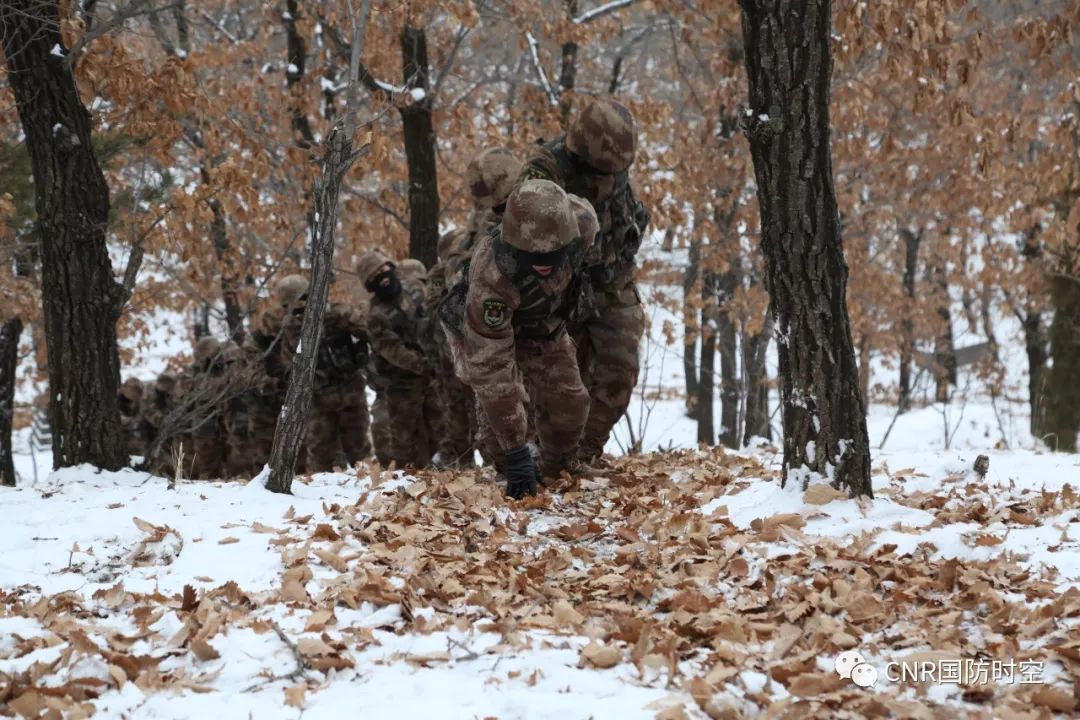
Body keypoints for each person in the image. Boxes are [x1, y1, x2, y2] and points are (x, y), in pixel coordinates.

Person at [519, 98, 650, 463]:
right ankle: (545, 455)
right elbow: (524, 231)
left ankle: (585, 451)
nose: (608, 178)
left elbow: (629, 214)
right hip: (558, 285)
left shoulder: (617, 163)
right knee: (556, 378)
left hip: (612, 279)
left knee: (620, 372)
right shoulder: (545, 169)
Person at [455, 179, 594, 499]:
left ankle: (557, 469)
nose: (544, 262)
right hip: (484, 331)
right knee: (499, 428)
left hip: (541, 323)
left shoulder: (581, 224)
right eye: (534, 254)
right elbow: (491, 367)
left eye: (552, 252)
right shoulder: (492, 274)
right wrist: (516, 453)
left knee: (571, 403)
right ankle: (509, 468)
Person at [359, 251, 435, 468]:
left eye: (384, 270)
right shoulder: (375, 316)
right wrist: (422, 364)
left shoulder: (415, 289)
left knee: (441, 428)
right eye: (374, 276)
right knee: (405, 440)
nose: (383, 277)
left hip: (433, 374)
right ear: (369, 285)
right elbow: (392, 349)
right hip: (401, 382)